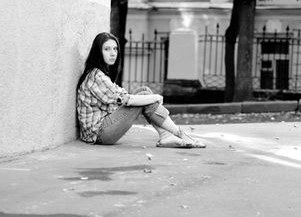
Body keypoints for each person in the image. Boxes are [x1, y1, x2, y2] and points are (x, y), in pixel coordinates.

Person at [76, 32, 205, 148]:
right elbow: (128, 100)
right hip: (99, 133)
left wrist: (149, 96)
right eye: (107, 49)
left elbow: (121, 96)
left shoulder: (99, 73)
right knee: (144, 98)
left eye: (115, 49)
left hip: (103, 127)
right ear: (98, 52)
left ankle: (166, 135)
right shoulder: (96, 76)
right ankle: (179, 133)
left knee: (144, 91)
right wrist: (154, 97)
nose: (113, 53)